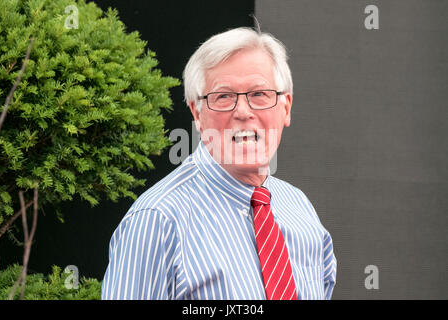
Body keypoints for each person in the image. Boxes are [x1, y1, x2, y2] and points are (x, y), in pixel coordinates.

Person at [101, 27, 336, 300]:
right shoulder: (157, 220)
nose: (243, 112)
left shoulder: (298, 208)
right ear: (196, 113)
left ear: (286, 107)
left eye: (259, 94)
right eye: (223, 97)